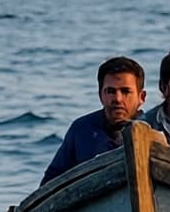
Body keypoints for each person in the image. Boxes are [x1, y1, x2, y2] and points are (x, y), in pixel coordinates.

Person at [42, 56, 146, 184]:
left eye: (125, 91)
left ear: (141, 97)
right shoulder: (81, 130)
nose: (118, 99)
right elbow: (50, 182)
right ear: (100, 95)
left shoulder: (154, 130)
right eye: (110, 91)